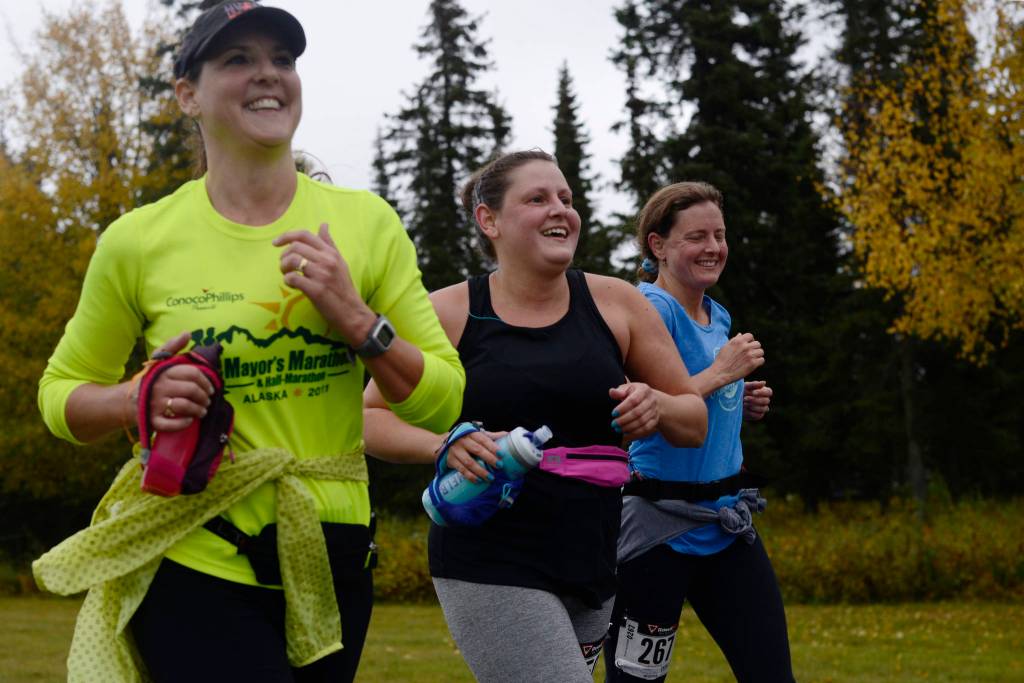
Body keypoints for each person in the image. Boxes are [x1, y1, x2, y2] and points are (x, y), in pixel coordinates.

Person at [32, 2, 464, 681]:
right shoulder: (139, 241)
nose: (268, 75)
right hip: (196, 547)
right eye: (238, 60)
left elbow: (442, 402)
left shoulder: (366, 223)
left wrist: (360, 323)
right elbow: (59, 397)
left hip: (336, 551)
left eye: (282, 60)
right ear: (187, 95)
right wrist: (136, 396)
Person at [362, 150, 708, 682]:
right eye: (538, 199)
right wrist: (443, 444)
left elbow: (692, 420)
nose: (560, 211)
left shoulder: (616, 303)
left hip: (593, 558)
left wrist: (657, 405)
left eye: (566, 199)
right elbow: (369, 418)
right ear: (489, 220)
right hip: (487, 556)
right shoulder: (448, 313)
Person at [603, 181, 793, 682]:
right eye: (696, 237)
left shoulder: (718, 313)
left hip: (727, 526)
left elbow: (699, 400)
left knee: (771, 674)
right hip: (657, 530)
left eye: (719, 235)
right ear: (658, 245)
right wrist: (724, 374)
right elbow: (637, 408)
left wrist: (740, 403)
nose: (712, 247)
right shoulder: (646, 311)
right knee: (637, 681)